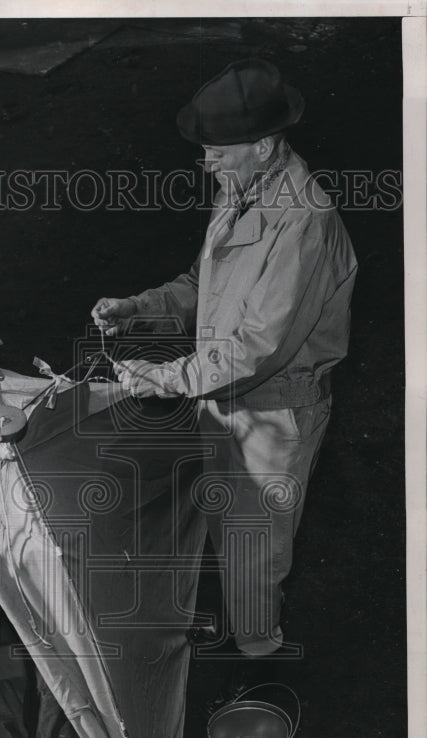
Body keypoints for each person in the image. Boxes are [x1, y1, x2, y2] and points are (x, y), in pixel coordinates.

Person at [92, 58, 357, 664]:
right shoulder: (242, 190)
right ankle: (243, 626)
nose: (206, 163)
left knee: (256, 549)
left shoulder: (302, 222)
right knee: (224, 524)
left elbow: (260, 348)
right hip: (223, 398)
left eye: (217, 151)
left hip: (273, 414)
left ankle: (260, 655)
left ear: (263, 145)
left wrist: (165, 378)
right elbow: (203, 282)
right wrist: (141, 307)